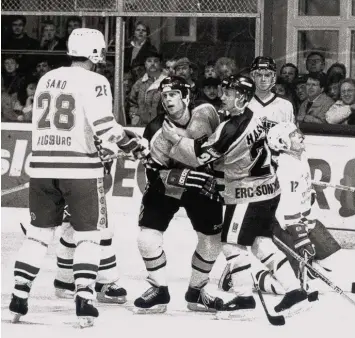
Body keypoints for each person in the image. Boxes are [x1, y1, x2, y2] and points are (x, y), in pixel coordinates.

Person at [8, 28, 144, 328]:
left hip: (42, 167)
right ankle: (84, 299)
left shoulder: (46, 78)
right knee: (89, 237)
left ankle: (19, 294)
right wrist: (132, 145)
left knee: (38, 234)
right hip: (80, 169)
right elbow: (104, 125)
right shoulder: (96, 80)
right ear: (95, 51)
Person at [162, 75, 309, 316]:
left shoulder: (231, 127)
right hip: (268, 190)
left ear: (241, 97)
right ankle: (295, 292)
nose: (222, 97)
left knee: (231, 245)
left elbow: (200, 157)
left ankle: (243, 299)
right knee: (261, 243)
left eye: (228, 93)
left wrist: (175, 139)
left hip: (246, 194)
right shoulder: (259, 117)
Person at [133, 76, 224, 314]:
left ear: (186, 96)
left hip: (204, 185)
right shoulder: (155, 129)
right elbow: (152, 173)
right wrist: (184, 177)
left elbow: (222, 149)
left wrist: (220, 178)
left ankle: (196, 292)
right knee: (147, 238)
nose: (168, 99)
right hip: (169, 186)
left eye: (173, 94)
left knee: (212, 242)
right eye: (164, 95)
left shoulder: (206, 114)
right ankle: (158, 290)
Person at [267, 122, 341, 289]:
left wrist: (310, 191)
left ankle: (310, 269)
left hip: (307, 220)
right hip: (286, 228)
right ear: (282, 142)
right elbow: (286, 209)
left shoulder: (300, 156)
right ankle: (260, 277)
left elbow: (301, 188)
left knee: (333, 261)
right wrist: (301, 238)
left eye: (297, 132)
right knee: (293, 285)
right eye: (293, 134)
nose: (301, 136)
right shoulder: (286, 167)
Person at [248, 56, 295, 133]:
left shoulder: (285, 105)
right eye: (259, 75)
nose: (263, 79)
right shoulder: (243, 102)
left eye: (267, 75)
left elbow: (290, 135)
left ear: (273, 78)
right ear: (253, 77)